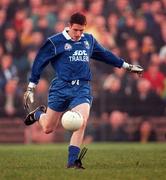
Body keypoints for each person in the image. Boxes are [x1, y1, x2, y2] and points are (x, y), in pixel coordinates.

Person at [23, 12, 143, 169]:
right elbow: (39, 61)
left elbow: (106, 55)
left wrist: (127, 66)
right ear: (69, 26)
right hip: (61, 87)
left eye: (82, 30)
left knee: (81, 120)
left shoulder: (89, 40)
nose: (78, 34)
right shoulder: (55, 42)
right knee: (48, 128)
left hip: (82, 88)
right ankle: (38, 114)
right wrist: (31, 86)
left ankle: (73, 161)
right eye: (76, 30)